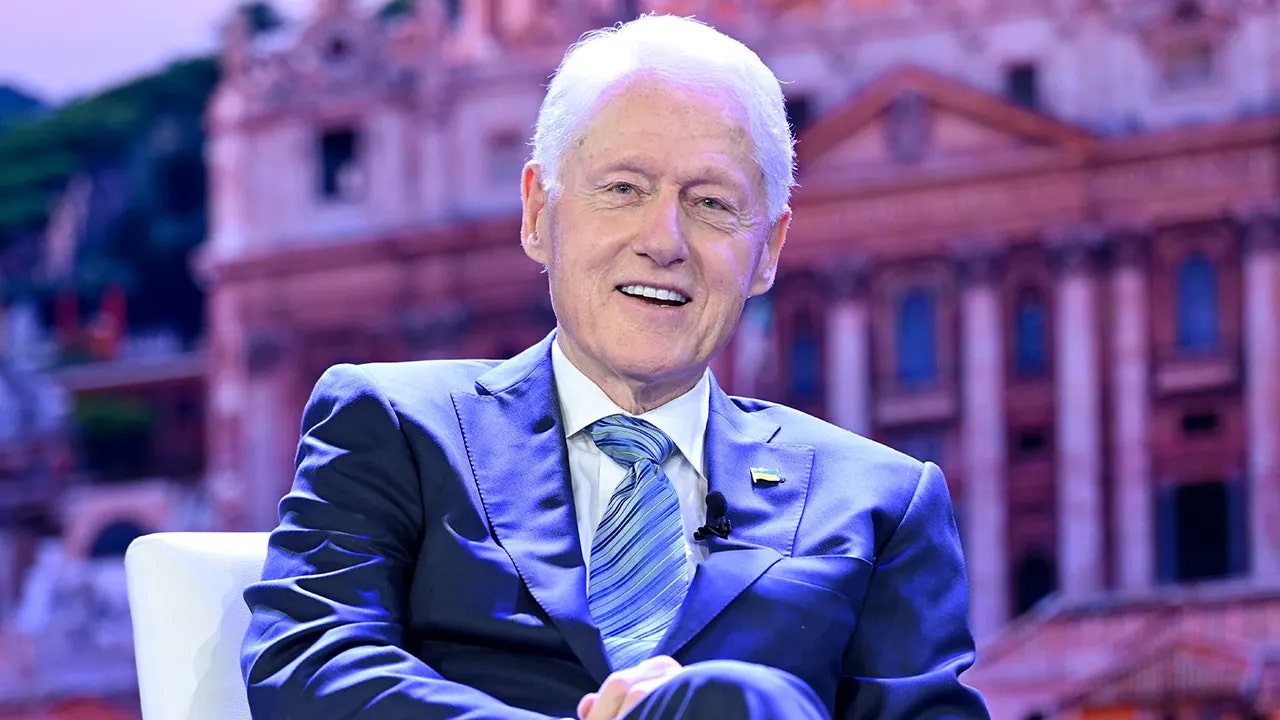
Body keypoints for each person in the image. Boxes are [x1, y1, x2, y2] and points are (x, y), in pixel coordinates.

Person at [240, 13, 990, 720]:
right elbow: (310, 665)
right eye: (623, 189)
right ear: (538, 213)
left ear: (768, 251)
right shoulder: (395, 426)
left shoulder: (882, 504)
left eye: (711, 203)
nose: (663, 241)